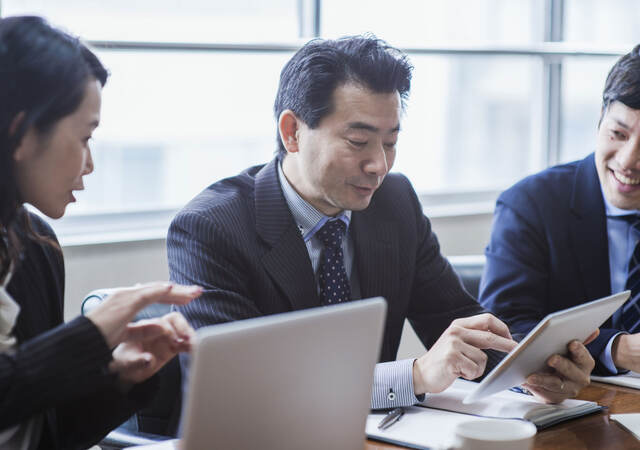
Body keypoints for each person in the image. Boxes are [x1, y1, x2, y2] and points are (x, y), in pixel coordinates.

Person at [168, 35, 592, 409]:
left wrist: (537, 372)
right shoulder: (210, 229)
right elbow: (248, 388)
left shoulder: (394, 202)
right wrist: (414, 376)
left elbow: (457, 322)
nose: (379, 165)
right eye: (358, 142)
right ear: (292, 132)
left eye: (391, 142)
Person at [0, 16, 202, 449]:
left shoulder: (34, 245)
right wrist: (91, 334)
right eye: (84, 137)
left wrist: (118, 377)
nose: (89, 164)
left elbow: (42, 428)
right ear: (20, 133)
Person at [479, 45, 640, 378]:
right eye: (618, 134)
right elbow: (506, 330)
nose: (627, 161)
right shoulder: (531, 204)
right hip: (569, 405)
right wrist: (618, 349)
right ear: (601, 116)